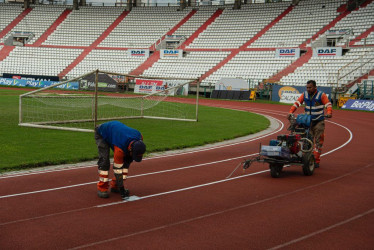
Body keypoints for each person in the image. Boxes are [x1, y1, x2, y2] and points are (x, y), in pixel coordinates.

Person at [94, 121, 146, 199]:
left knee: (127, 162)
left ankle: (115, 186)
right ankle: (102, 188)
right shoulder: (120, 150)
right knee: (104, 161)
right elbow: (117, 169)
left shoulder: (139, 137)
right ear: (131, 149)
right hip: (102, 132)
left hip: (117, 133)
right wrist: (122, 190)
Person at [287, 80, 332, 168]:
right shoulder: (305, 94)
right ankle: (307, 158)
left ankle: (316, 160)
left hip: (319, 121)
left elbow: (328, 104)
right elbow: (297, 103)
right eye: (307, 87)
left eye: (310, 87)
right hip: (308, 121)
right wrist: (291, 112)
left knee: (319, 141)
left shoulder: (321, 95)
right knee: (306, 140)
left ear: (315, 87)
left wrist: (329, 112)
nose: (308, 89)